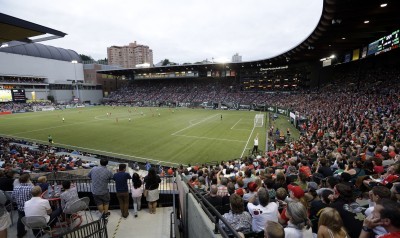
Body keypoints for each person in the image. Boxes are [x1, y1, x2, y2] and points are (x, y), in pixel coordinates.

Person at [12, 173, 34, 238]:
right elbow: (35, 197)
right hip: (30, 208)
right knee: (34, 219)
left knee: (20, 220)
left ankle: (20, 234)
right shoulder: (31, 188)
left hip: (20, 207)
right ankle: (37, 232)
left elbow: (13, 197)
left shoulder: (16, 188)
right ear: (28, 180)